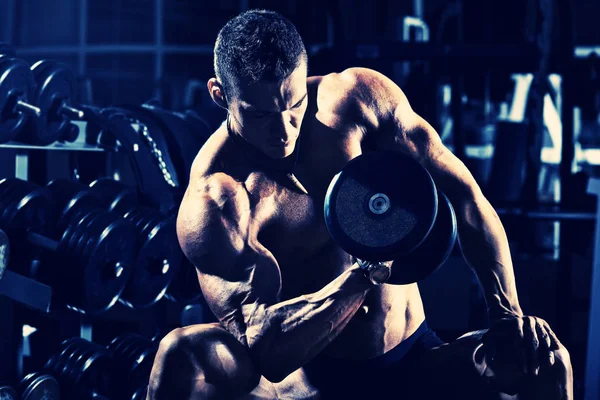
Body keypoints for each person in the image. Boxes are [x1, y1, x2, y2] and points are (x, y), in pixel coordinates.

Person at [147, 9, 573, 400]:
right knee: (182, 352)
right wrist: (363, 277)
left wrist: (506, 313)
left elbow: (466, 197)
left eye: (294, 104)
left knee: (547, 361)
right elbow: (267, 349)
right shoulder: (219, 198)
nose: (283, 130)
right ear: (220, 95)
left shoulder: (356, 100)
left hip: (413, 355)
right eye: (259, 114)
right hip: (313, 381)